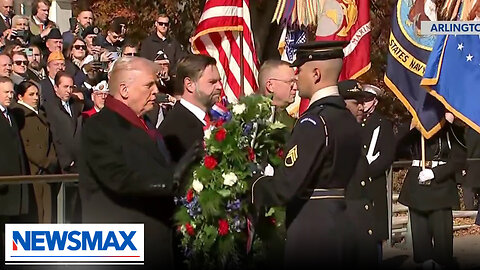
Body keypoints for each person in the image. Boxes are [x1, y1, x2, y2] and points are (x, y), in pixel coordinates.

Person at [79, 56, 199, 268]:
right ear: (124, 90)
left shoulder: (145, 124)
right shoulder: (99, 126)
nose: (156, 91)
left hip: (156, 242)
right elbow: (118, 178)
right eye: (149, 85)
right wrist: (171, 179)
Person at [251, 41, 362, 268]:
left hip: (312, 231)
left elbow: (284, 187)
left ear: (316, 73)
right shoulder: (347, 120)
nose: (296, 76)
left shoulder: (313, 122)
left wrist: (250, 182)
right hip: (341, 224)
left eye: (299, 70)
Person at [398, 113, 466, 269]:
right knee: (421, 245)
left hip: (440, 190)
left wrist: (436, 172)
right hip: (417, 189)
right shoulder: (416, 130)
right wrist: (409, 128)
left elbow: (459, 160)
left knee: (443, 246)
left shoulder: (453, 131)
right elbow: (399, 149)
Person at [338, 79, 378, 267]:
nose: (362, 107)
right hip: (346, 217)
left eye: (363, 102)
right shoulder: (337, 133)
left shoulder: (355, 131)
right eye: (356, 102)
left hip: (360, 214)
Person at [159, 54, 222, 163]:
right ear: (189, 84)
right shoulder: (175, 129)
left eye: (219, 81)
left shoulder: (213, 119)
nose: (220, 86)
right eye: (212, 82)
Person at [10, 81, 58, 223]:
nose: (36, 97)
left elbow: (50, 141)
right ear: (20, 96)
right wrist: (45, 162)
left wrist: (51, 160)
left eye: (37, 94)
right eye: (31, 94)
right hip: (33, 170)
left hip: (46, 171)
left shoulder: (41, 113)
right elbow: (25, 144)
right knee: (35, 213)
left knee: (46, 212)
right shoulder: (19, 115)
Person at [361, 83, 396, 262]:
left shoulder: (382, 123)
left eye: (367, 100)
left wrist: (368, 171)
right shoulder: (353, 121)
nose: (363, 103)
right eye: (361, 99)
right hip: (354, 184)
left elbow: (387, 155)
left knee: (374, 231)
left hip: (373, 183)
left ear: (374, 101)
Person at [258, 59, 297, 130]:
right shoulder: (249, 119)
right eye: (291, 83)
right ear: (270, 86)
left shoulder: (293, 124)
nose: (295, 88)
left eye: (295, 82)